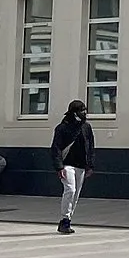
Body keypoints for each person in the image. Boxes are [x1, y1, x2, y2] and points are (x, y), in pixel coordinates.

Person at [50, 100, 96, 234]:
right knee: (70, 189)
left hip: (81, 165)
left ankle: (67, 220)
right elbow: (56, 148)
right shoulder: (62, 128)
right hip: (67, 165)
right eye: (82, 110)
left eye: (85, 110)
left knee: (75, 194)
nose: (84, 113)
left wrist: (90, 165)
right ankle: (65, 219)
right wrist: (59, 167)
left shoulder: (86, 127)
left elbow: (91, 147)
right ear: (74, 112)